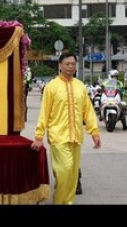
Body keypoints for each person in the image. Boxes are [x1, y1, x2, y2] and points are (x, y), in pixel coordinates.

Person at [30, 52, 101, 205]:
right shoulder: (52, 87)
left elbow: (88, 111)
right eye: (67, 64)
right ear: (60, 66)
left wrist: (94, 132)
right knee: (64, 170)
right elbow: (44, 112)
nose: (70, 67)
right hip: (58, 136)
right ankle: (59, 201)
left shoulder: (80, 86)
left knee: (73, 175)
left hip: (76, 137)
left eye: (73, 64)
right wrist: (39, 136)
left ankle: (68, 201)